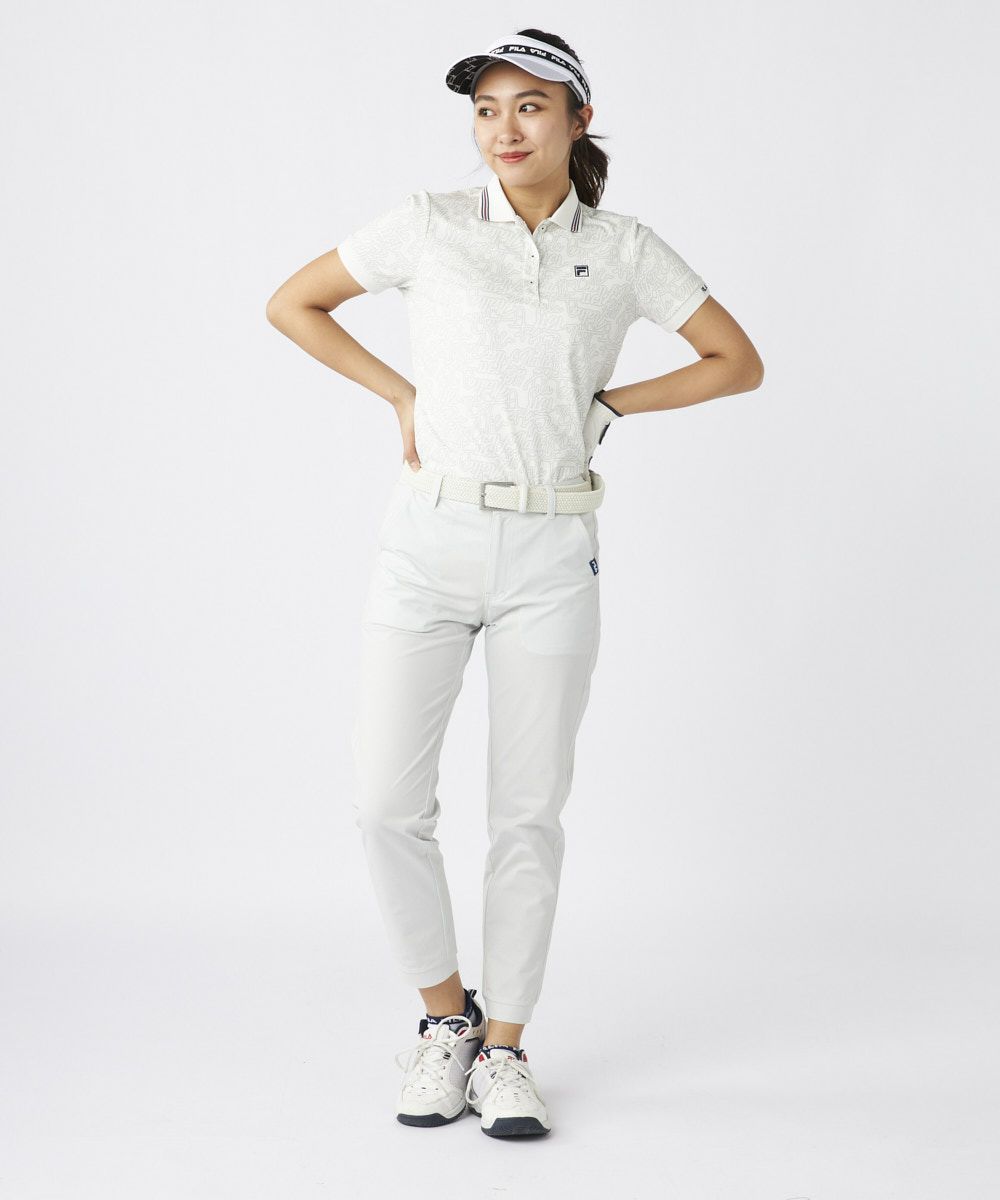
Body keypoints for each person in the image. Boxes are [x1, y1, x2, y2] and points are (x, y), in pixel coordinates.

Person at [266, 28, 765, 1139]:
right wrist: (400, 395)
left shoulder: (625, 249)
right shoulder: (428, 223)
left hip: (551, 552)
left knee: (526, 814)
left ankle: (503, 1049)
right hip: (427, 538)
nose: (504, 128)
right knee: (385, 804)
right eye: (487, 108)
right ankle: (443, 1019)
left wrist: (613, 405)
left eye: (531, 106)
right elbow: (293, 303)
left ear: (579, 121)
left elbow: (737, 361)